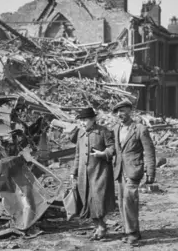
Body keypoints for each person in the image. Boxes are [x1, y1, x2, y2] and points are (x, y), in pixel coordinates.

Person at [110, 100, 156, 246]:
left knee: (130, 201)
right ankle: (129, 230)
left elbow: (149, 152)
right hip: (119, 170)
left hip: (134, 170)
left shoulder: (140, 129)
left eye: (122, 111)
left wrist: (150, 172)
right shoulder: (116, 128)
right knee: (122, 202)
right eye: (117, 112)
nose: (119, 114)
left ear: (130, 111)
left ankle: (133, 234)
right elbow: (116, 150)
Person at [71, 107, 116, 240]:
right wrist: (74, 172)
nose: (83, 123)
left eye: (85, 120)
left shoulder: (103, 131)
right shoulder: (80, 133)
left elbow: (112, 148)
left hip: (100, 172)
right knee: (86, 201)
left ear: (93, 120)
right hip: (83, 174)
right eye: (81, 120)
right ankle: (98, 227)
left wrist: (103, 154)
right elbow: (77, 155)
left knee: (98, 199)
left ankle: (101, 227)